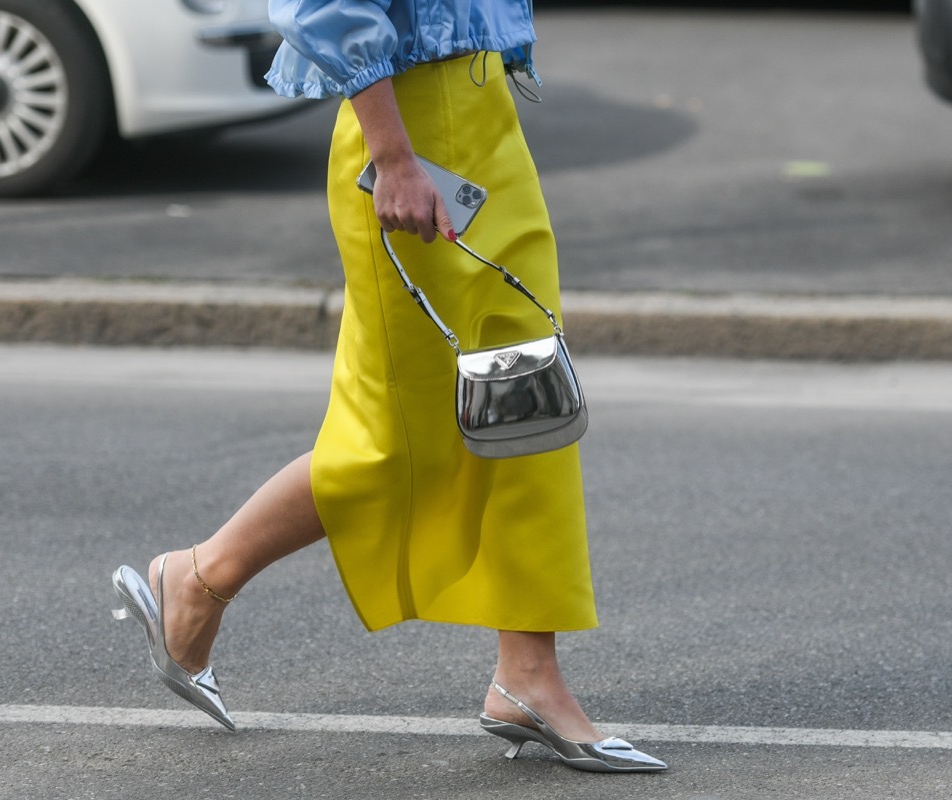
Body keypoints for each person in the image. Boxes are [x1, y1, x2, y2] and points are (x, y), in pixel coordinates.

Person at [111, 0, 667, 774]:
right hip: (406, 138)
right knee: (395, 440)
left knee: (523, 405)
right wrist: (394, 155)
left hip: (484, 119)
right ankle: (200, 577)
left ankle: (527, 674)